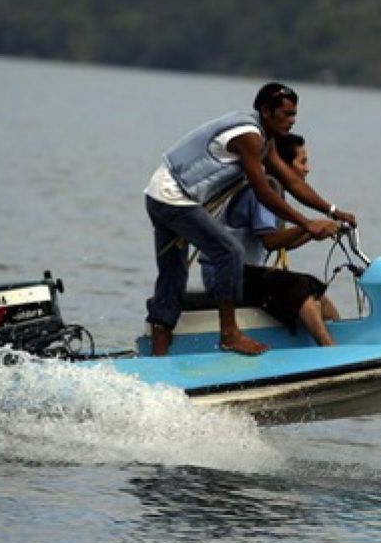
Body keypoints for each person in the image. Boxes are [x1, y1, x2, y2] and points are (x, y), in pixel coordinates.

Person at [143, 83, 355, 356]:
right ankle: (230, 335)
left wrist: (332, 210)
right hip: (173, 198)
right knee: (229, 252)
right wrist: (306, 224)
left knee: (173, 274)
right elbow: (263, 190)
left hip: (161, 194)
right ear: (266, 111)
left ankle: (158, 356)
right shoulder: (249, 137)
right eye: (287, 114)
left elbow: (290, 180)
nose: (292, 121)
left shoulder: (265, 140)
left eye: (294, 115)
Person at [201, 133, 341, 347]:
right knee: (302, 285)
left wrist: (314, 232)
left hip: (245, 272)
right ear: (283, 165)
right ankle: (329, 349)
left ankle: (340, 341)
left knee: (319, 296)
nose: (307, 169)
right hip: (226, 274)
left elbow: (283, 243)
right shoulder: (263, 189)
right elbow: (270, 241)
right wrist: (310, 225)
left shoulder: (272, 190)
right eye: (302, 162)